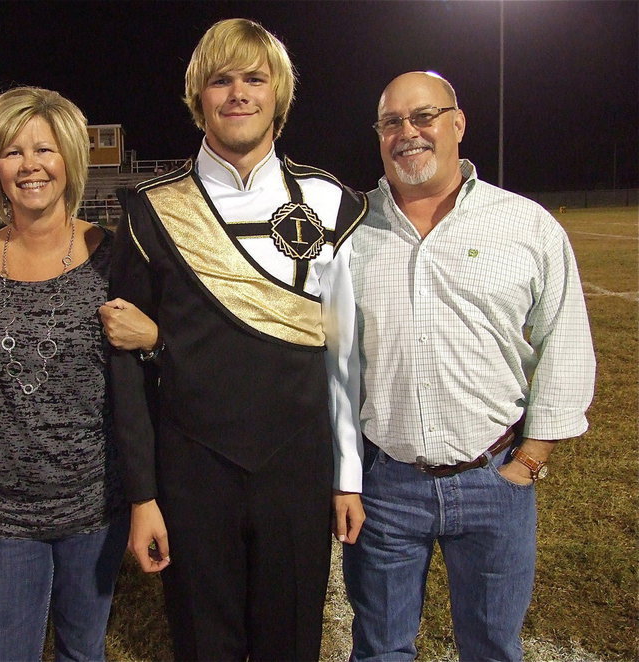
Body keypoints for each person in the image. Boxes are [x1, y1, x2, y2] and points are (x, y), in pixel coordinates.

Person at [103, 18, 367, 661]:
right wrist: (142, 495)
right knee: (202, 646)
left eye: (255, 78)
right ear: (199, 99)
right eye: (221, 81)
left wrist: (348, 475)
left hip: (298, 471)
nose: (238, 94)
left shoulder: (332, 202)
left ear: (279, 94)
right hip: (192, 474)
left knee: (291, 644)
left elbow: (344, 355)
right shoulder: (150, 207)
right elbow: (125, 371)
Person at [343, 71, 596, 662]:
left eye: (423, 116)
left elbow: (565, 338)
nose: (408, 133)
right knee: (380, 649)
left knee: (491, 649)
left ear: (457, 124)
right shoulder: (350, 229)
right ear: (379, 135)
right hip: (386, 483)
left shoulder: (525, 224)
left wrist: (531, 460)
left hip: (496, 476)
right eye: (392, 122)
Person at [0, 86, 155, 662]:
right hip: (5, 516)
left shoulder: (116, 260)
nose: (30, 166)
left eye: (44, 149)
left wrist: (156, 338)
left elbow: (152, 382)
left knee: (81, 652)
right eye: (13, 151)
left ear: (69, 157)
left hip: (96, 508)